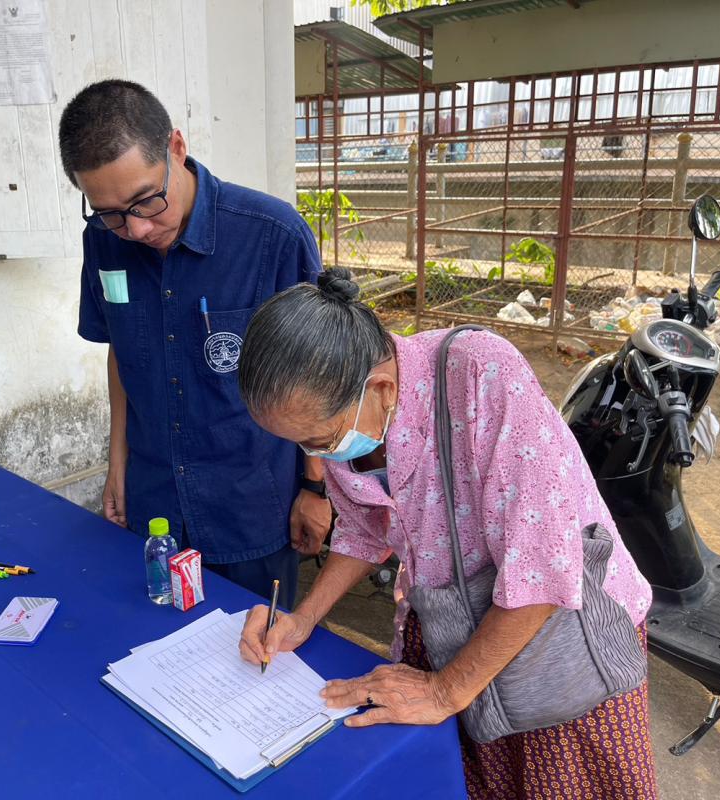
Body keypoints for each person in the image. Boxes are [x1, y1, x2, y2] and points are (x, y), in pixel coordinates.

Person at [236, 268, 659, 799]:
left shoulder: (481, 374)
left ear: (382, 389)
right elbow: (365, 532)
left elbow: (543, 569)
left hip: (561, 643)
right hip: (449, 627)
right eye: (302, 443)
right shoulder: (353, 416)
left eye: (320, 440)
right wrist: (302, 618)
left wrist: (444, 691)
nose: (317, 455)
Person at [58, 80, 331, 607]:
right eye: (111, 212)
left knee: (255, 642)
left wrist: (316, 487)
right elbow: (121, 350)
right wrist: (117, 464)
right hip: (154, 501)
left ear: (176, 148)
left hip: (250, 504)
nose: (136, 229)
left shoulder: (272, 235)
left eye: (146, 200)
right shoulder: (104, 242)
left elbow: (319, 376)